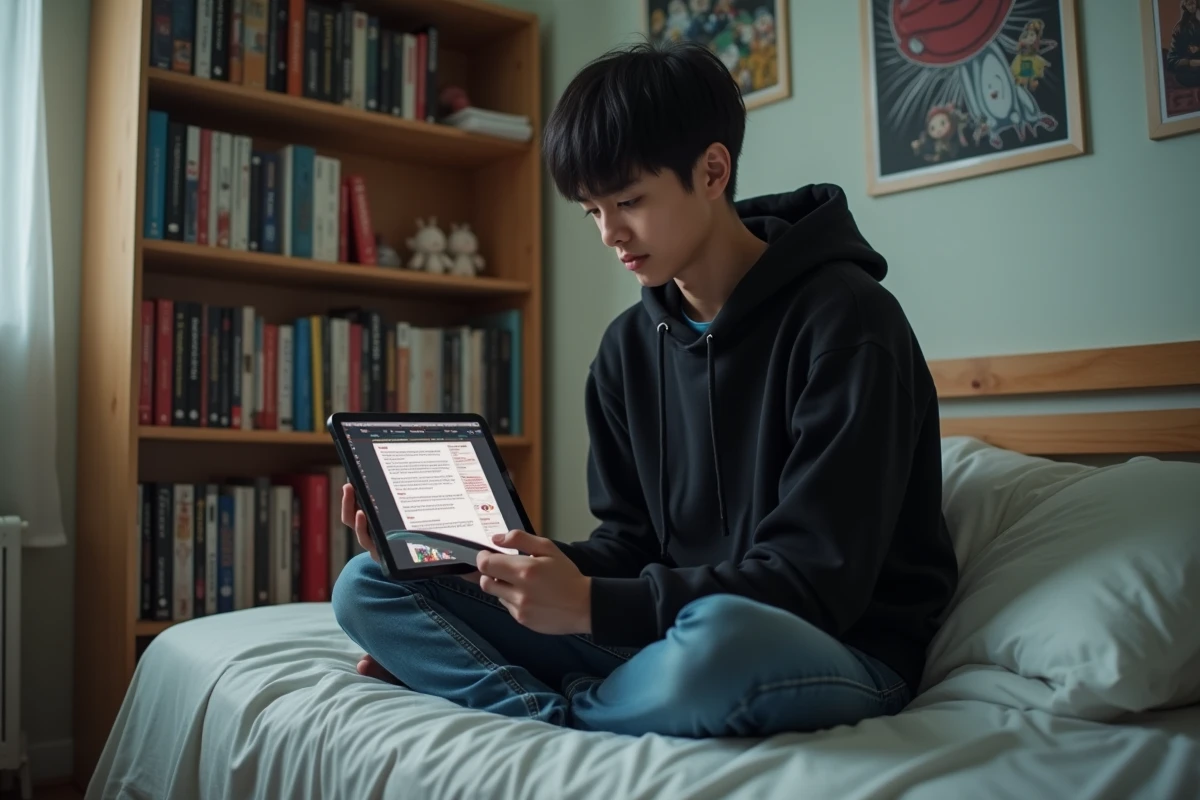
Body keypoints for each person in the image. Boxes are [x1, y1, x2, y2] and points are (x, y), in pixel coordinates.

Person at [332, 40, 959, 739]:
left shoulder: (850, 323)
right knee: (369, 584)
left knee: (724, 641)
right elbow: (630, 543)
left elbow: (817, 585)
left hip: (834, 647)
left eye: (628, 201)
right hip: (662, 636)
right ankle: (557, 705)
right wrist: (511, 564)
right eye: (591, 211)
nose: (610, 234)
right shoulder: (626, 349)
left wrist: (592, 608)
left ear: (713, 170)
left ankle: (544, 702)